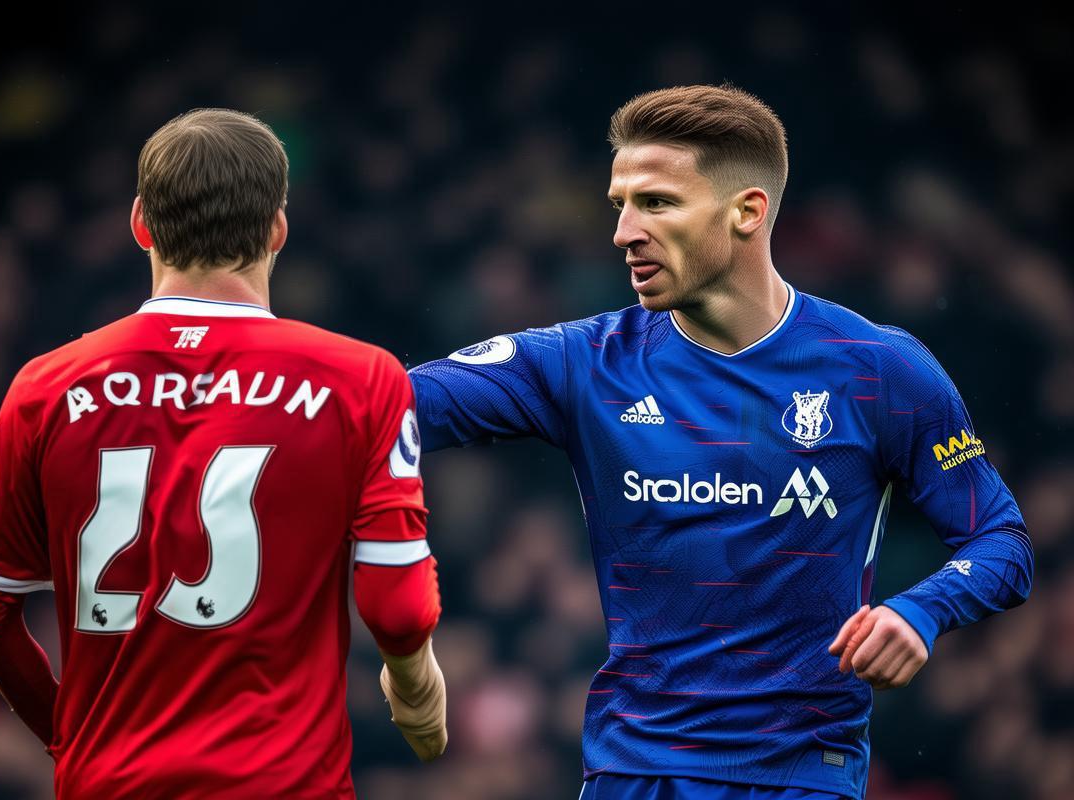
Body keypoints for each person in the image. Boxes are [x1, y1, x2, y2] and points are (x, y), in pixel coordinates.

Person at [408, 85, 1033, 800]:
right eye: (620, 204)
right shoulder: (584, 362)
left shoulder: (878, 369)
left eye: (657, 202)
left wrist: (919, 610)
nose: (624, 232)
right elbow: (386, 405)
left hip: (801, 777)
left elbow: (1002, 541)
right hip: (634, 774)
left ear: (747, 212)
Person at [0, 108, 447, 799]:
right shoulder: (358, 379)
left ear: (140, 224)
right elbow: (397, 610)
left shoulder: (46, 388)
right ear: (277, 229)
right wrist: (418, 695)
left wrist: (68, 741)